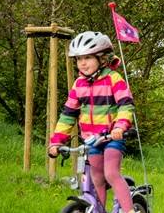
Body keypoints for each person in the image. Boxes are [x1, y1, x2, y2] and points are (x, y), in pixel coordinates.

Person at [48, 31, 136, 213]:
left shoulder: (113, 79)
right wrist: (56, 141)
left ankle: (129, 211)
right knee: (96, 177)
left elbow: (126, 105)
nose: (82, 63)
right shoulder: (79, 84)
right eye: (79, 59)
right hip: (91, 140)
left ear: (102, 59)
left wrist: (120, 126)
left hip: (112, 137)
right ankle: (99, 210)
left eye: (87, 58)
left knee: (111, 173)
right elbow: (68, 115)